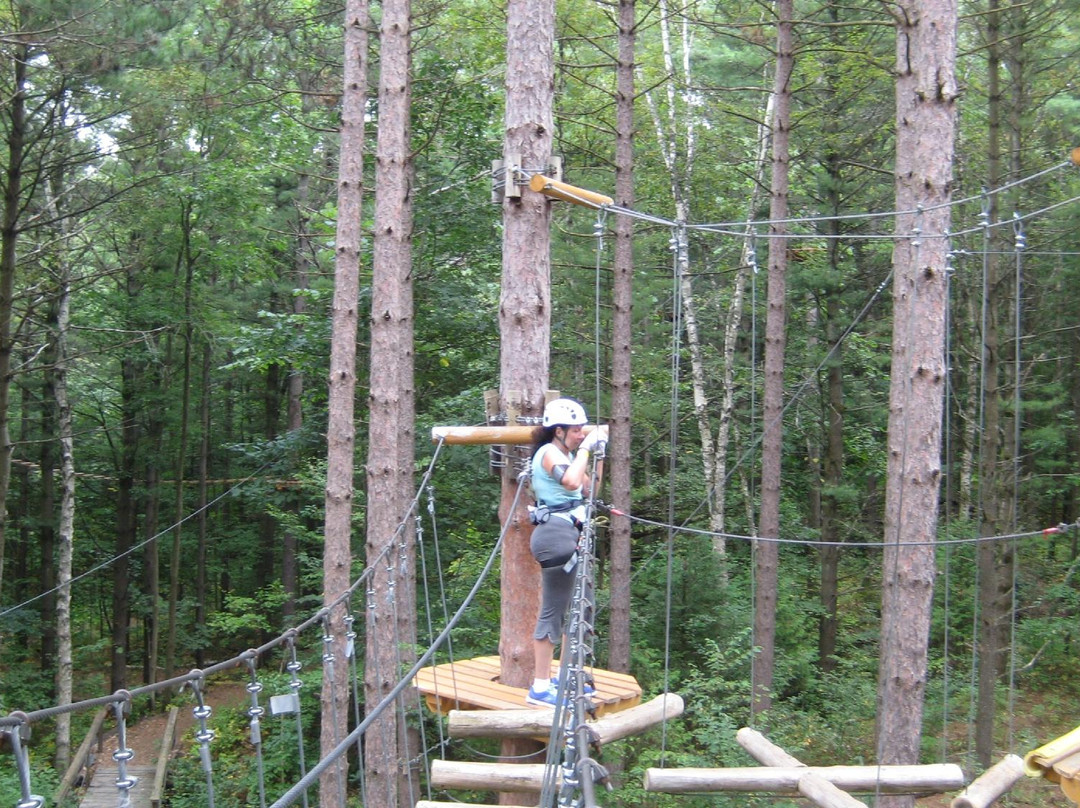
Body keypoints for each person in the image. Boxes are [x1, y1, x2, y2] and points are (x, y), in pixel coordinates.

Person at [525, 397, 608, 707]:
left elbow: (588, 490)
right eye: (576, 431)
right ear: (558, 430)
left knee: (568, 611)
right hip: (555, 538)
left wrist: (596, 456)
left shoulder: (569, 454)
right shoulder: (548, 453)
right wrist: (587, 449)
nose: (580, 435)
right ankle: (540, 687)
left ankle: (556, 677)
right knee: (552, 612)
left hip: (567, 536)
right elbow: (572, 480)